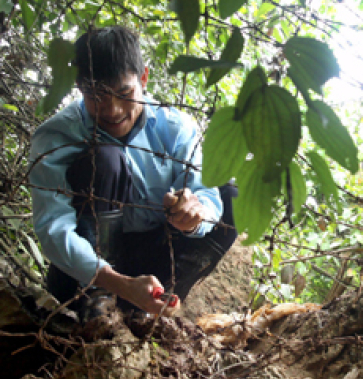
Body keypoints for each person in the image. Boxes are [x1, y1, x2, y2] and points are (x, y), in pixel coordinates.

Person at [29, 26, 237, 318]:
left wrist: (192, 215)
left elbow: (206, 195)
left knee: (231, 198)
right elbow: (53, 229)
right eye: (96, 96)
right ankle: (98, 306)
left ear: (143, 78)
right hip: (83, 275)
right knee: (104, 160)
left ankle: (158, 303)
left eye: (124, 93)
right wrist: (118, 283)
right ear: (80, 89)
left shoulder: (175, 127)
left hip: (150, 265)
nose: (112, 109)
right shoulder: (57, 137)